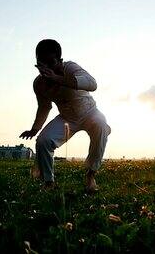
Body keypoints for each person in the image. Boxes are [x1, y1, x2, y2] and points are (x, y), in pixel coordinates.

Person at [19, 39, 111, 192]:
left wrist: (57, 78)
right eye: (42, 65)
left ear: (60, 61)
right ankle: (49, 182)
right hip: (67, 118)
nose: (46, 69)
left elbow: (92, 84)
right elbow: (44, 107)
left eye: (51, 63)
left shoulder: (70, 67)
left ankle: (90, 175)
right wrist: (35, 129)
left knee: (101, 127)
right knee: (43, 141)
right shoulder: (39, 84)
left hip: (90, 113)